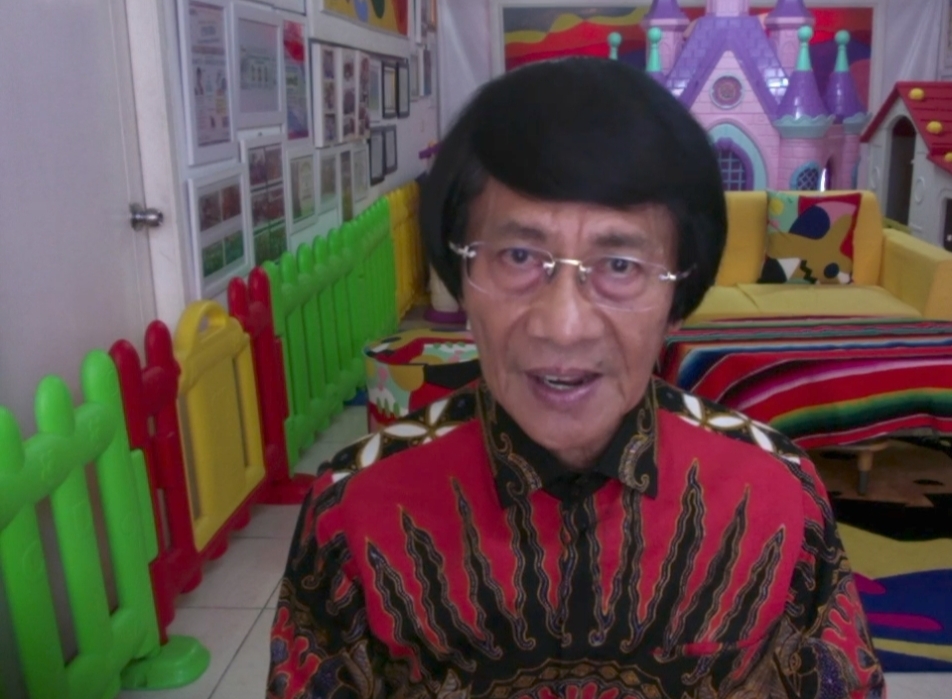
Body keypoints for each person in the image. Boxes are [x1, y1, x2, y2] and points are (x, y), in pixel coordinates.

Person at [267, 57, 885, 699]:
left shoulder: (779, 496)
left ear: (677, 301)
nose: (563, 327)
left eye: (619, 265)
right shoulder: (353, 509)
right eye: (518, 256)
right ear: (461, 281)